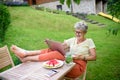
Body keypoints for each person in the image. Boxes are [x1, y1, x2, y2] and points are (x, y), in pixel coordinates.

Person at [11, 21, 96, 80]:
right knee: (51, 50)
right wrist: (51, 43)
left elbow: (94, 57)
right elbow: (61, 46)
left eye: (79, 32)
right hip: (69, 61)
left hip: (77, 67)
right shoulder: (73, 39)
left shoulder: (89, 41)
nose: (77, 34)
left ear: (85, 32)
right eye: (76, 32)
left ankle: (26, 57)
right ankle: (26, 53)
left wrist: (81, 57)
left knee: (57, 55)